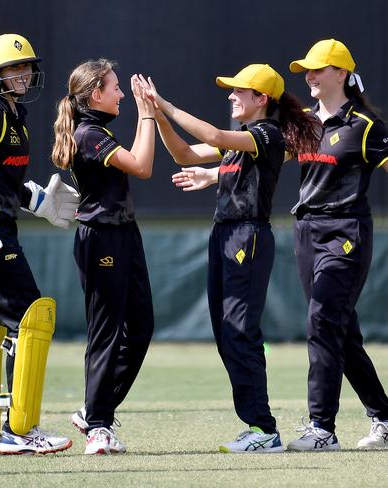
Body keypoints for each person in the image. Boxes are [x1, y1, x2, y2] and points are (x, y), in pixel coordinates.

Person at [150, 64, 320, 452]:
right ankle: (257, 426)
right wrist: (157, 116)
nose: (231, 95)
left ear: (262, 99)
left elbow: (209, 135)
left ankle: (264, 430)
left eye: (239, 91)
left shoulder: (266, 133)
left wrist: (167, 105)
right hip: (224, 233)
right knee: (227, 333)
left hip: (248, 235)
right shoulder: (243, 137)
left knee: (241, 332)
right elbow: (185, 154)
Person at [0, 33, 77, 457]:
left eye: (25, 67)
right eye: (13, 68)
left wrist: (40, 201)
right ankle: (20, 430)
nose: (23, 74)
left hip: (0, 221)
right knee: (32, 316)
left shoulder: (12, 113)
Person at [284, 39, 388, 451]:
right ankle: (384, 416)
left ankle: (322, 429)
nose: (309, 76)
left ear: (342, 73)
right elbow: (262, 157)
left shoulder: (365, 125)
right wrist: (211, 176)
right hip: (306, 233)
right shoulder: (305, 123)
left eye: (318, 68)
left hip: (346, 234)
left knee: (322, 323)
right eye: (306, 69)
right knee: (340, 334)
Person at [51, 59, 156, 455]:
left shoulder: (98, 131)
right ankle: (98, 425)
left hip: (124, 234)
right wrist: (147, 115)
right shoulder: (90, 133)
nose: (122, 94)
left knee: (141, 327)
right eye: (114, 87)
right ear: (95, 93)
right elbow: (143, 166)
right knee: (107, 332)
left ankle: (94, 410)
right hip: (102, 239)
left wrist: (148, 115)